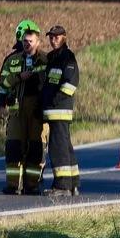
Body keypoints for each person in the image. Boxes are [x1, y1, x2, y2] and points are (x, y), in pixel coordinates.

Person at [0, 24, 48, 195]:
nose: (27, 44)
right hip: (16, 110)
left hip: (37, 111)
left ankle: (31, 185)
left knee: (35, 148)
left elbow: (51, 83)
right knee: (13, 147)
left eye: (31, 41)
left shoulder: (45, 60)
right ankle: (12, 185)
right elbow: (3, 83)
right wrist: (1, 104)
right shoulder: (13, 60)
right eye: (24, 41)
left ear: (38, 42)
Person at [40, 26, 80, 196]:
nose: (53, 40)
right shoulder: (52, 57)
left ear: (64, 37)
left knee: (58, 148)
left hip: (60, 110)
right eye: (51, 37)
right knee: (65, 146)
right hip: (52, 110)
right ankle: (73, 184)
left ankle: (62, 186)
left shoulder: (67, 57)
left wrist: (53, 101)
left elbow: (70, 84)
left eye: (57, 37)